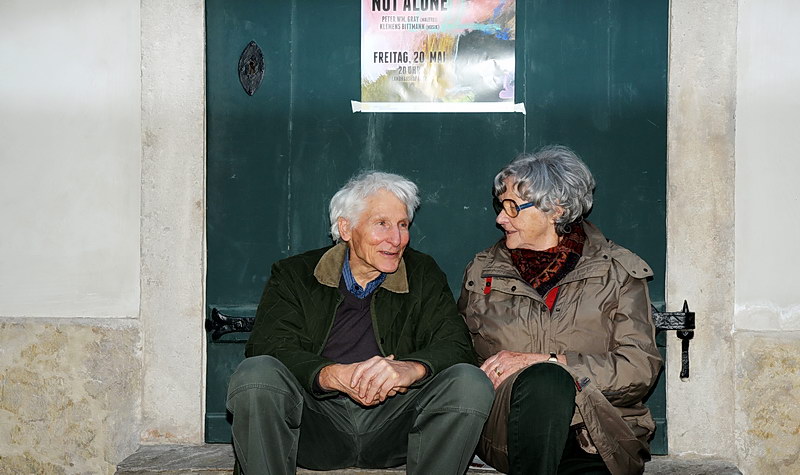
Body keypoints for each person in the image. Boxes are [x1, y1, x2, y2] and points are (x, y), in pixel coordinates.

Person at [227, 171, 495, 475]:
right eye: (382, 224)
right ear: (346, 228)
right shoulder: (295, 273)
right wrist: (330, 374)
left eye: (403, 225)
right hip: (315, 424)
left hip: (395, 424)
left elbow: (456, 345)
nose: (396, 239)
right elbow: (269, 345)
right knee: (256, 374)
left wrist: (409, 368)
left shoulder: (422, 272)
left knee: (469, 382)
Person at [459, 146, 663, 475]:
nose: (500, 218)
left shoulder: (618, 272)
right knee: (544, 382)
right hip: (508, 433)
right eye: (501, 205)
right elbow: (459, 354)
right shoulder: (482, 271)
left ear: (556, 209)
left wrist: (551, 362)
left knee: (549, 375)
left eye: (512, 207)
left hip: (598, 433)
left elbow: (638, 369)